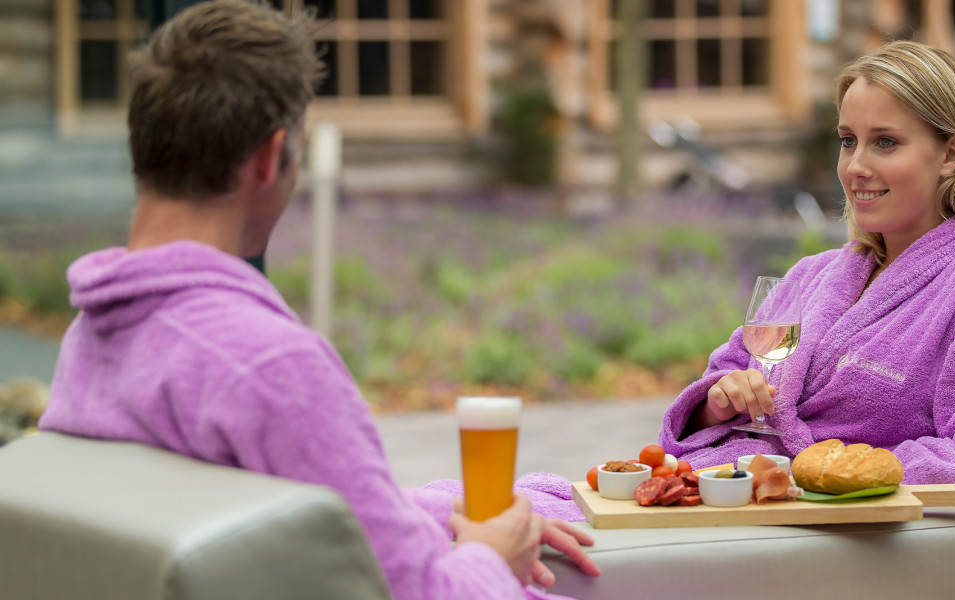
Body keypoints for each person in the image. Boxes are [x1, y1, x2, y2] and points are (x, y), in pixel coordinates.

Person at [37, 1, 599, 598]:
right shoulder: (267, 365)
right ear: (270, 156)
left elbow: (286, 512)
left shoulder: (95, 337)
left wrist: (447, 514)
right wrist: (490, 556)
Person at [659, 40, 955, 504]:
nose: (855, 166)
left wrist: (839, 472)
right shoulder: (811, 276)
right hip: (738, 499)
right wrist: (718, 403)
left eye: (885, 142)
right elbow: (721, 384)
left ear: (951, 155)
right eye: (848, 140)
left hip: (849, 537)